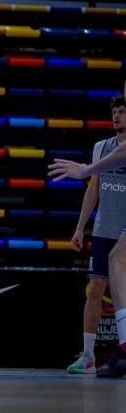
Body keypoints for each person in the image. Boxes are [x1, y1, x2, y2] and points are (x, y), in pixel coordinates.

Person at [49, 84, 126, 379]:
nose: (116, 116)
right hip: (105, 228)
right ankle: (88, 355)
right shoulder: (101, 148)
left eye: (122, 112)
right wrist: (80, 227)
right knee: (95, 290)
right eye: (114, 112)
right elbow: (93, 189)